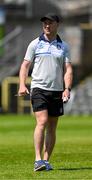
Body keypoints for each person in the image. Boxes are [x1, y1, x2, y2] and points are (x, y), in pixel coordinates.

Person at [18, 12, 73, 171]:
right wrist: (22, 84)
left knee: (52, 126)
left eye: (50, 23)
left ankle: (46, 161)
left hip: (56, 91)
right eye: (45, 23)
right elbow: (24, 66)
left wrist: (67, 89)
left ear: (57, 24)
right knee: (41, 122)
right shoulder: (35, 44)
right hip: (38, 88)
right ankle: (38, 159)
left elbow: (68, 70)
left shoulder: (64, 46)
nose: (47, 26)